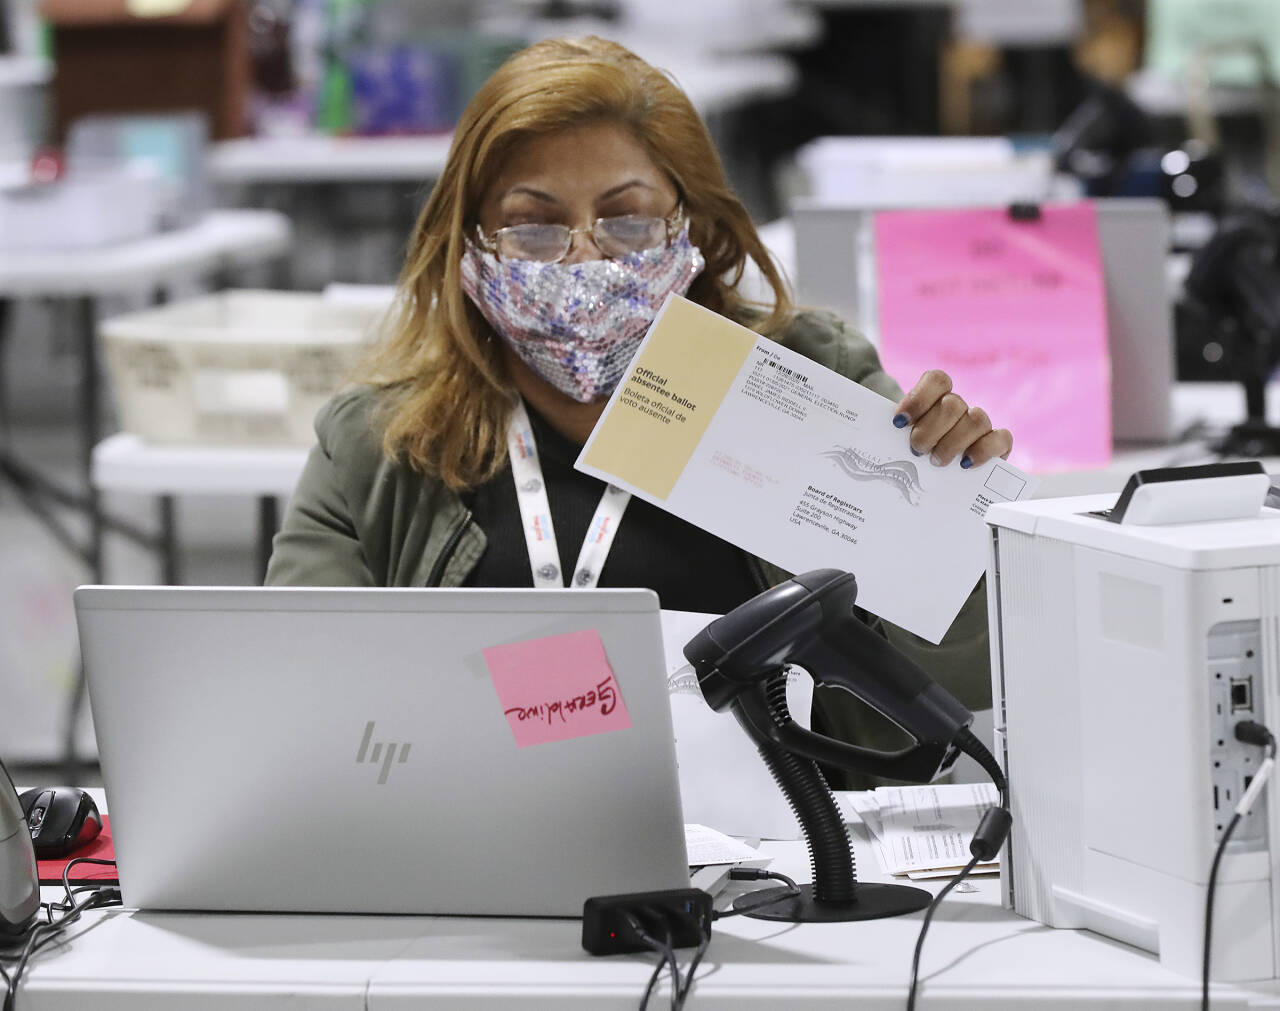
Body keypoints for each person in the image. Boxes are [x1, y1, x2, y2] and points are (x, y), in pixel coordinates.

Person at [265, 35, 1013, 786]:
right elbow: (293, 701)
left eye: (626, 221)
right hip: (477, 847)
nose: (584, 259)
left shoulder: (808, 381)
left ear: (688, 224)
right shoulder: (379, 446)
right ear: (471, 243)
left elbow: (962, 686)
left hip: (785, 865)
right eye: (534, 226)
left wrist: (953, 516)